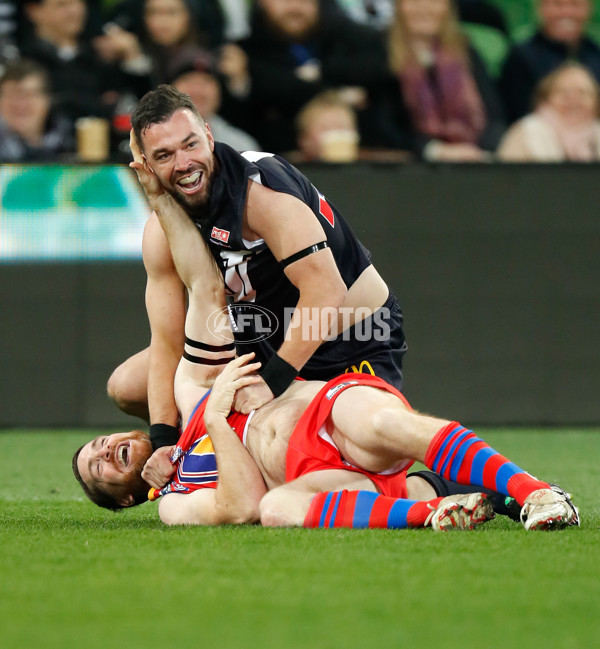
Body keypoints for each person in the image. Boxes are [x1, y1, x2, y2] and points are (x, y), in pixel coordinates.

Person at [74, 167, 579, 532]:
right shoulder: (175, 501)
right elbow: (244, 506)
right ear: (126, 500)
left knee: (387, 428)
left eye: (98, 444)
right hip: (306, 468)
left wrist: (161, 200)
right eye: (99, 469)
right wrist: (209, 426)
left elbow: (205, 289)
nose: (103, 452)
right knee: (282, 512)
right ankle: (440, 509)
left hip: (328, 389)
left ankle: (533, 490)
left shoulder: (192, 391)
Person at [108, 84, 408, 449]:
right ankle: (199, 458)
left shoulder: (260, 193)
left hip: (352, 338)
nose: (184, 164)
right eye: (165, 155)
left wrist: (272, 382)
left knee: (369, 447)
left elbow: (326, 291)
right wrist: (162, 441)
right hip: (262, 337)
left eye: (190, 145)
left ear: (208, 134)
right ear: (146, 165)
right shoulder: (161, 230)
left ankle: (455, 481)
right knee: (128, 385)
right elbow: (167, 343)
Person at [234, 0, 390, 153]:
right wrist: (338, 94)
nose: (295, 7)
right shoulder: (245, 54)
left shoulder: (349, 42)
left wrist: (321, 74)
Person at [372, 0, 505, 161]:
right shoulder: (380, 52)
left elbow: (494, 115)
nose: (425, 8)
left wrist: (479, 150)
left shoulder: (465, 50)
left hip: (473, 159)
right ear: (399, 6)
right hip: (414, 167)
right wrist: (434, 150)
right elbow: (384, 126)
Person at [499, 0, 600, 124]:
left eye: (575, 4)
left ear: (589, 9)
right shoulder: (521, 58)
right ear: (541, 8)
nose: (566, 12)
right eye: (557, 4)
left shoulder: (596, 53)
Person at [498, 62, 600, 161]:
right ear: (546, 98)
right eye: (564, 93)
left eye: (582, 93)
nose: (573, 100)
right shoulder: (525, 133)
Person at [168, 47, 260, 152]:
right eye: (188, 81)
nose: (198, 90)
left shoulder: (241, 147)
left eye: (206, 82)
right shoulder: (151, 141)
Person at [0, 58, 74, 161]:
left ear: (47, 100)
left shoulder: (72, 140)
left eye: (29, 94)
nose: (20, 104)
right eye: (12, 95)